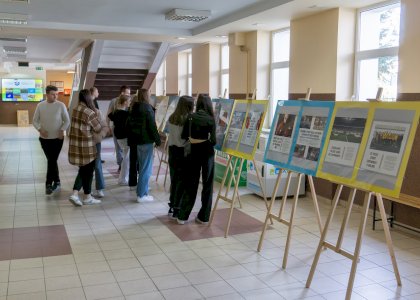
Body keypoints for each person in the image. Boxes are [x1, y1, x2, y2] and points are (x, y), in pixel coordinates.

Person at [177, 94, 216, 225]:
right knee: (207, 185)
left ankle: (182, 216)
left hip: (193, 152)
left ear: (197, 103)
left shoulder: (190, 117)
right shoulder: (211, 119)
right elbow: (214, 141)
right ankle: (204, 217)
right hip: (207, 153)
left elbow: (184, 136)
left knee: (191, 184)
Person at [68, 89, 104, 206]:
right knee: (88, 171)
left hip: (75, 145)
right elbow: (98, 128)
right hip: (87, 146)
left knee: (84, 170)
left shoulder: (75, 109)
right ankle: (83, 196)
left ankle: (80, 194)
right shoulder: (89, 112)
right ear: (89, 98)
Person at [33, 85, 70, 195]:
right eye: (53, 94)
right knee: (52, 160)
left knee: (52, 160)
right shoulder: (40, 105)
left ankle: (49, 184)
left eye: (57, 94)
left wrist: (62, 130)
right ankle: (57, 181)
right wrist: (40, 130)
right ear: (47, 95)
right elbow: (35, 121)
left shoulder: (61, 105)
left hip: (58, 139)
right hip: (44, 139)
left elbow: (67, 121)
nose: (56, 96)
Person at [127, 89, 161, 202]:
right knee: (146, 168)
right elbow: (152, 126)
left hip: (137, 141)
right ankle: (141, 195)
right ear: (147, 96)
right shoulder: (147, 108)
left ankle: (142, 190)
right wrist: (158, 140)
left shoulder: (133, 107)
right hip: (146, 141)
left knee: (142, 167)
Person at [167, 96, 194, 218]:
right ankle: (178, 207)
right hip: (183, 152)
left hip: (172, 151)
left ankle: (172, 204)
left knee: (174, 179)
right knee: (182, 181)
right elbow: (186, 138)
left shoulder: (172, 117)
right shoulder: (187, 119)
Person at [108, 95, 131, 185]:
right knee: (127, 158)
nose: (130, 102)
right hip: (124, 137)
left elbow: (110, 116)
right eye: (129, 101)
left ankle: (123, 178)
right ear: (125, 102)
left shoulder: (116, 112)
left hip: (118, 137)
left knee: (126, 157)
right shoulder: (125, 114)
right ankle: (123, 179)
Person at [90, 87, 106, 198]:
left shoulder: (97, 111)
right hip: (85, 142)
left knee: (97, 164)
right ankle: (87, 188)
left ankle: (99, 188)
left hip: (95, 142)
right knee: (86, 166)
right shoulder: (81, 112)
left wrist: (99, 136)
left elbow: (104, 126)